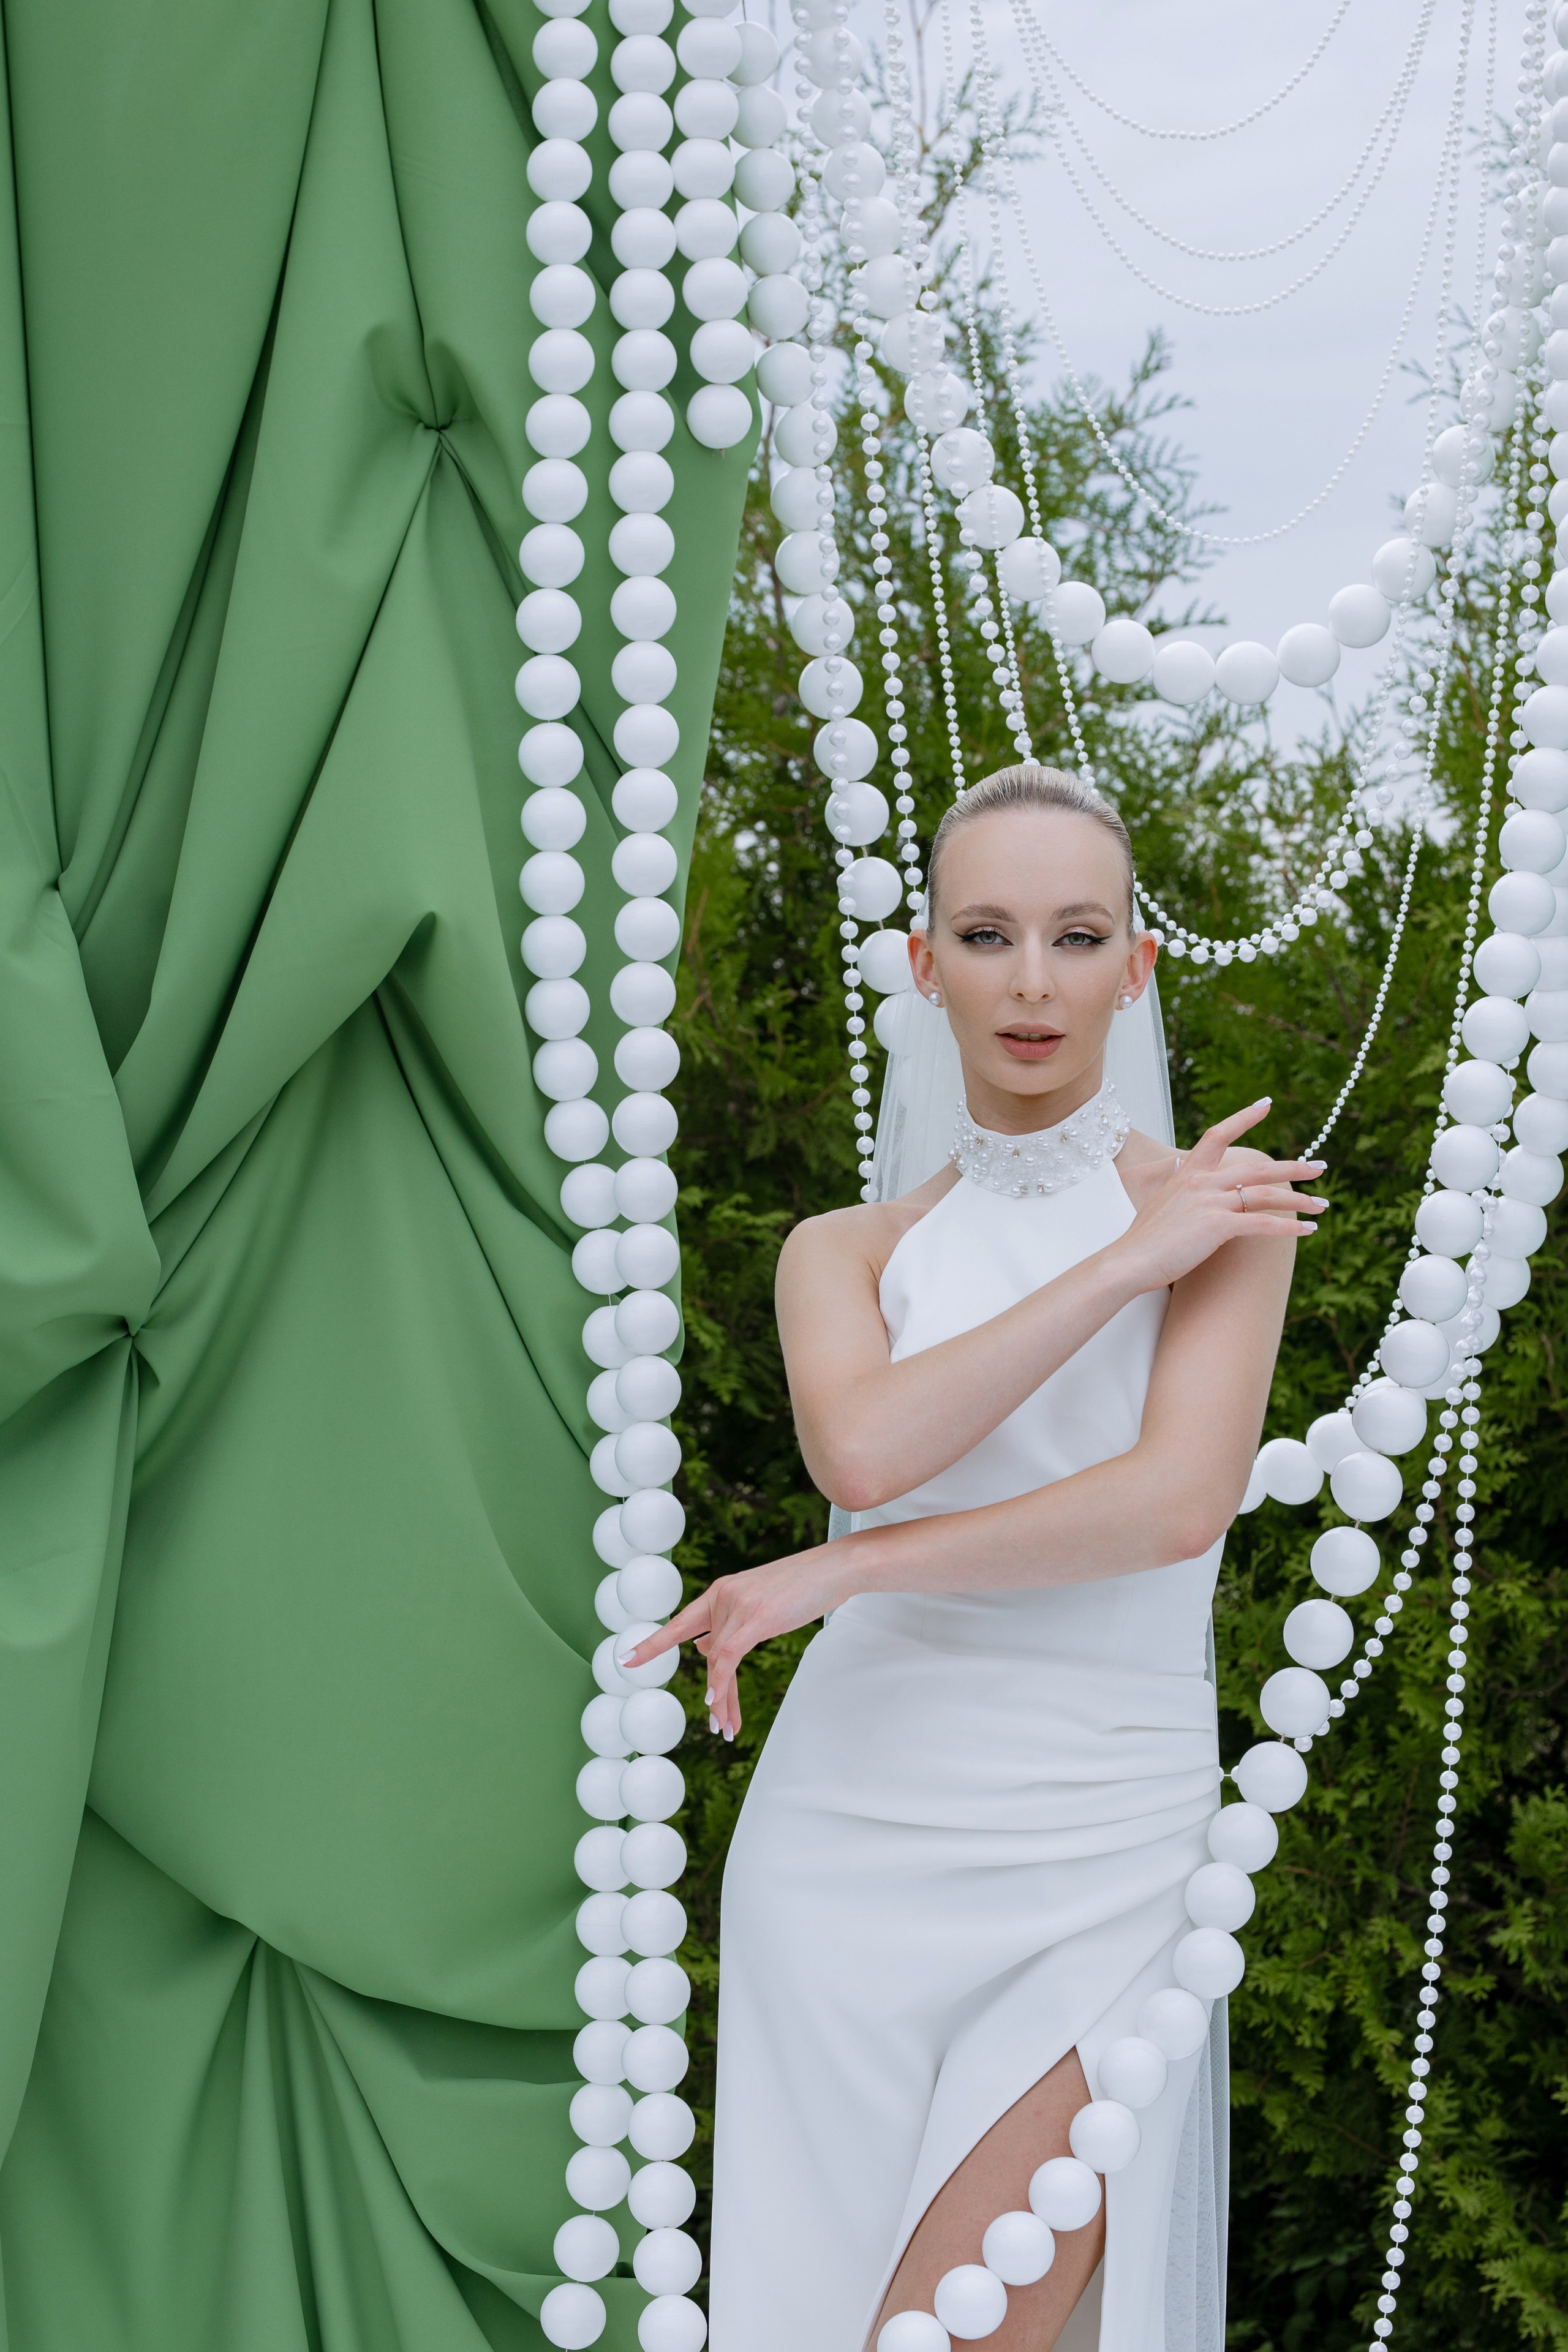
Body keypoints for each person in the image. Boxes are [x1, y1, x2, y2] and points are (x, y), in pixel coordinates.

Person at [621, 766, 1327, 2352]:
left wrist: (840, 1574)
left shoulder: (1233, 1214)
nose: (1029, 981)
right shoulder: (842, 1253)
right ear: (925, 962)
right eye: (987, 934)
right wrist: (1119, 1262)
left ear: (1133, 967)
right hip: (850, 1844)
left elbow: (1172, 1506)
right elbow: (862, 1453)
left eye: (1076, 937)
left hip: (1101, 1849)